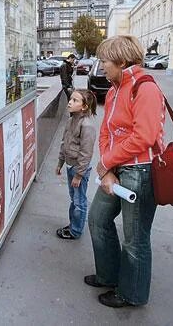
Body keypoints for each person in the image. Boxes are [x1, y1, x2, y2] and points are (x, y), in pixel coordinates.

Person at [86, 35, 165, 308]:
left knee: (135, 238)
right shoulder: (113, 89)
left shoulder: (145, 88)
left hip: (140, 171)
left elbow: (144, 137)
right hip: (116, 166)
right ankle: (109, 274)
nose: (101, 66)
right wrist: (108, 165)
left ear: (121, 61)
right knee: (97, 219)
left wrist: (107, 162)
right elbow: (106, 130)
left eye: (104, 61)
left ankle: (132, 293)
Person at [55, 89, 97, 240]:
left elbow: (86, 153)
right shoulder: (70, 120)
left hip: (79, 170)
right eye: (70, 99)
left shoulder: (87, 126)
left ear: (84, 106)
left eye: (75, 100)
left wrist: (79, 175)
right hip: (69, 166)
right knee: (74, 199)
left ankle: (75, 231)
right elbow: (64, 142)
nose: (70, 102)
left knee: (79, 201)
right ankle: (74, 224)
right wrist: (60, 162)